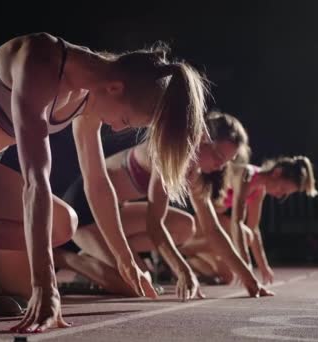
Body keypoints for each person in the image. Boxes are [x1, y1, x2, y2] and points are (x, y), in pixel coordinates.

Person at [0, 32, 209, 333]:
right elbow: (35, 180)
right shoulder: (41, 60)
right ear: (115, 88)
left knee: (19, 291)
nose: (115, 127)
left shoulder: (92, 93)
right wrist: (47, 285)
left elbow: (97, 183)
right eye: (124, 120)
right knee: (62, 223)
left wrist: (126, 261)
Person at [57, 111, 273, 299]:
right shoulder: (167, 154)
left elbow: (212, 229)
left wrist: (250, 281)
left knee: (185, 226)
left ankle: (99, 256)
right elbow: (155, 225)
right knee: (137, 286)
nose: (219, 166)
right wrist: (182, 269)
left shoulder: (196, 173)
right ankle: (65, 257)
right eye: (217, 155)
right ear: (201, 138)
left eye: (226, 161)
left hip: (112, 216)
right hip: (83, 216)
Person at [194, 155, 318, 284]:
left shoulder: (259, 190)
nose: (280, 195)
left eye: (285, 194)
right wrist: (245, 263)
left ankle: (186, 258)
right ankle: (182, 251)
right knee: (245, 236)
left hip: (214, 225)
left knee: (228, 276)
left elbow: (254, 228)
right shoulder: (246, 175)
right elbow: (237, 222)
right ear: (277, 172)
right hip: (202, 221)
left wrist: (264, 267)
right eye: (282, 189)